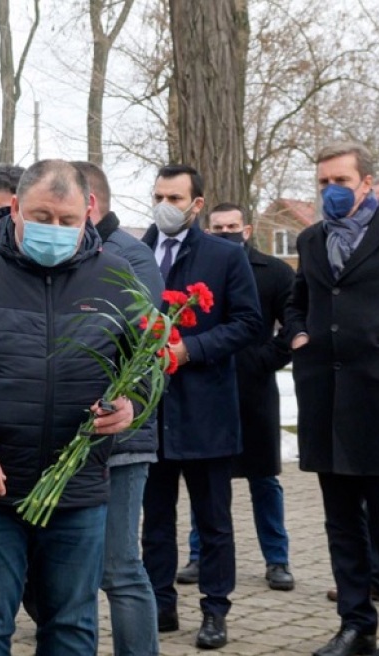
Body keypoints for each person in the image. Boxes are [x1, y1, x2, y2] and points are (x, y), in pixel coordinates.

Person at [0, 159, 136, 654]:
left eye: (66, 221)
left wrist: (131, 405)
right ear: (13, 207)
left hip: (76, 486)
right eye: (40, 216)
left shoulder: (117, 277)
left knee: (72, 628)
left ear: (90, 212)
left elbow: (142, 364)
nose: (52, 230)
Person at [288, 142, 379, 656]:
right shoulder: (312, 239)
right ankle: (355, 625)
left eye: (340, 181)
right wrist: (297, 334)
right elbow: (298, 301)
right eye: (323, 183)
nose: (331, 191)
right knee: (341, 524)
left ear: (365, 182)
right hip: (326, 397)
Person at [140, 164, 263, 650]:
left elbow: (249, 322)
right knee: (156, 519)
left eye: (174, 197)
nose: (163, 206)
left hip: (205, 409)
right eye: (157, 196)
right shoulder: (133, 252)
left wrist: (191, 349)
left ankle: (215, 609)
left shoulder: (224, 255)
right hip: (149, 412)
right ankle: (160, 603)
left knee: (213, 521)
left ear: (196, 204)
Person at [174, 203, 297, 596]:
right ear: (208, 229)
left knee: (264, 479)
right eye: (218, 227)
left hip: (253, 390)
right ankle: (198, 555)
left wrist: (266, 359)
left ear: (247, 230)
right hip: (206, 390)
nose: (226, 231)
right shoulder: (197, 267)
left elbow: (293, 321)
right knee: (205, 479)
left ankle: (277, 559)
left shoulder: (275, 272)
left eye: (233, 226)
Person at [73, 160, 164, 656]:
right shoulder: (79, 250)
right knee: (79, 569)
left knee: (120, 567)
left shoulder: (130, 256)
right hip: (79, 433)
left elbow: (143, 347)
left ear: (88, 202)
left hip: (122, 434)